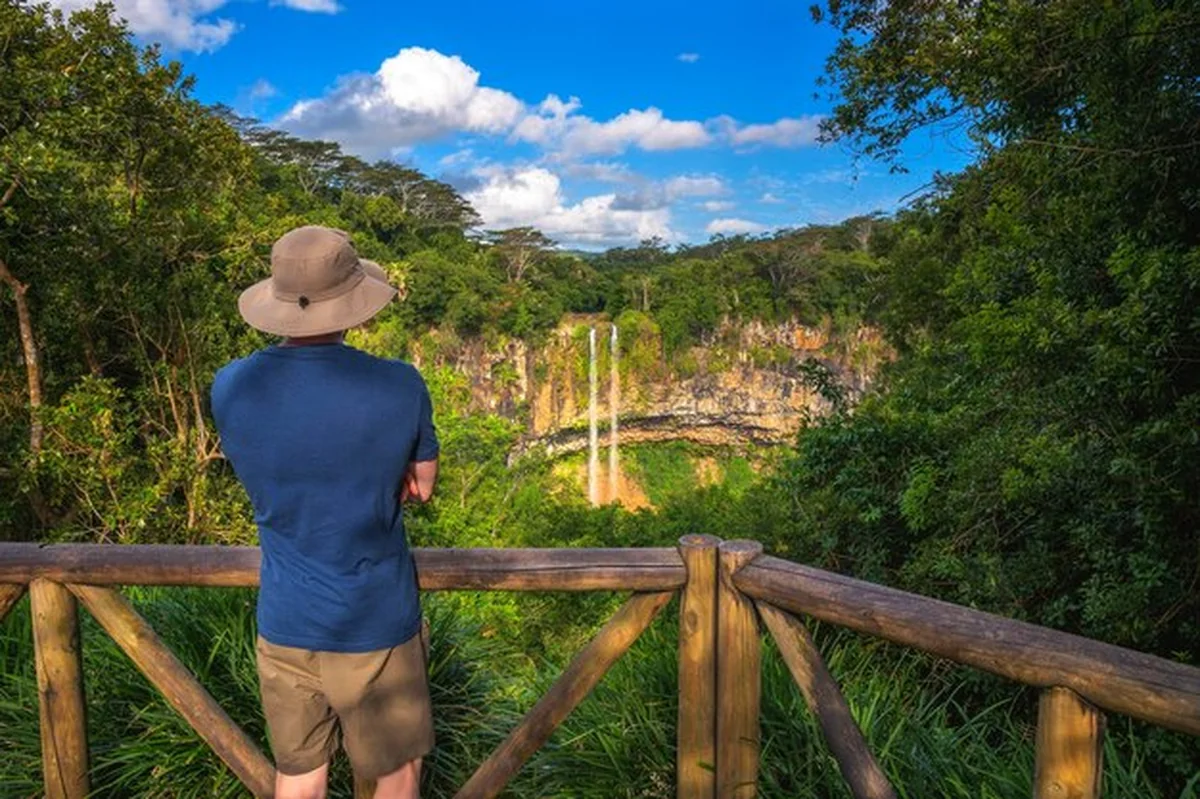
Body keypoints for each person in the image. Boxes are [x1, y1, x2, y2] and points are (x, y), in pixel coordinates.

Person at [211, 225, 438, 799]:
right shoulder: (399, 385)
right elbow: (422, 486)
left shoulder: (230, 386)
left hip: (285, 619)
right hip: (375, 620)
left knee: (298, 777)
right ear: (352, 304)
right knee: (394, 775)